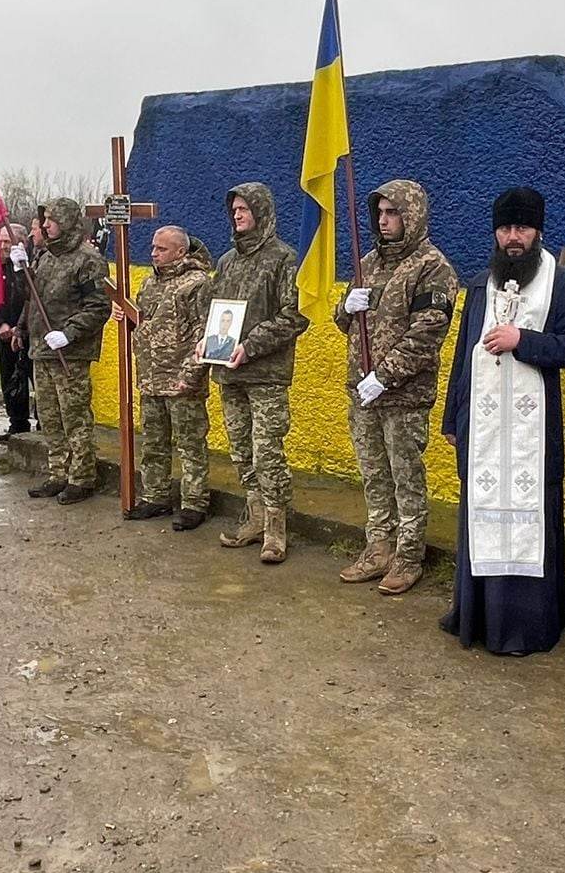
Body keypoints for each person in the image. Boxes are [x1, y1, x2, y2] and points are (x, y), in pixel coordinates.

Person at [440, 186, 565, 655]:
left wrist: (521, 339)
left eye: (522, 228)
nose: (513, 237)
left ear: (538, 232)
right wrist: (453, 417)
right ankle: (478, 618)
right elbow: (464, 357)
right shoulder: (480, 284)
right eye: (505, 228)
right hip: (483, 433)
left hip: (532, 439)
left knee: (531, 522)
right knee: (480, 517)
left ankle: (526, 627)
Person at [334, 180, 458, 595]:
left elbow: (427, 333)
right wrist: (345, 306)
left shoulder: (432, 267)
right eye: (381, 213)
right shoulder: (368, 261)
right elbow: (345, 322)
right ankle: (379, 547)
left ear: (413, 215)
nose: (385, 221)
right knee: (373, 474)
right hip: (362, 392)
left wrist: (384, 377)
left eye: (394, 213)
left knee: (406, 476)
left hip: (403, 395)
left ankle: (408, 556)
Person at [209, 183, 310, 562]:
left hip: (266, 374)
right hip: (229, 373)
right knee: (241, 451)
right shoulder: (226, 262)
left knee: (267, 451)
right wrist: (208, 342)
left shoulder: (285, 259)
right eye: (233, 209)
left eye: (244, 209)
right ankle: (253, 520)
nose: (237, 215)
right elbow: (214, 310)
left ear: (262, 212)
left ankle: (276, 529)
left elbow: (295, 314)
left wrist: (249, 345)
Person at [15, 196, 110, 505]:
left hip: (70, 353)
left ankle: (82, 476)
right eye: (44, 220)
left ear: (67, 222)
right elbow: (31, 299)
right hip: (41, 350)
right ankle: (58, 472)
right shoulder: (44, 257)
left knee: (75, 416)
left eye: (51, 220)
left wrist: (69, 334)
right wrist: (20, 270)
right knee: (49, 416)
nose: (45, 225)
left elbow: (98, 306)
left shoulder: (88, 259)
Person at [119, 226, 214, 529]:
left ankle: (194, 502)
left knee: (190, 445)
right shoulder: (149, 283)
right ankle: (157, 496)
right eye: (153, 247)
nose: (153, 253)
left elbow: (206, 332)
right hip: (152, 378)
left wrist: (191, 375)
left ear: (180, 251)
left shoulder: (197, 284)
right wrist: (124, 318)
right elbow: (144, 325)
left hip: (182, 381)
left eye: (161, 248)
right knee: (154, 444)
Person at [0, 223, 32, 443]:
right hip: (5, 332)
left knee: (33, 377)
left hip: (29, 332)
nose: (3, 246)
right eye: (0, 242)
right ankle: (17, 423)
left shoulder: (28, 267)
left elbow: (30, 299)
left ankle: (44, 424)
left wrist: (20, 326)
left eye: (7, 241)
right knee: (10, 380)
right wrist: (0, 324)